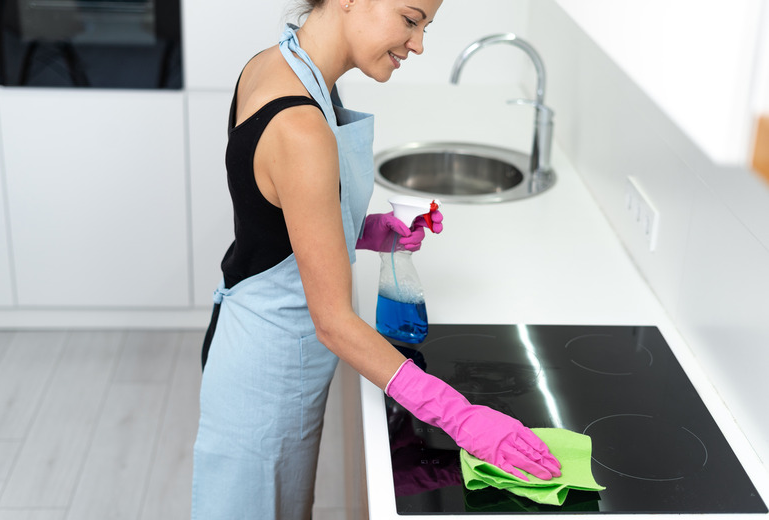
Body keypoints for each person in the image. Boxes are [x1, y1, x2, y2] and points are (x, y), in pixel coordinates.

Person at [191, 1, 562, 518]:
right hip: (267, 377)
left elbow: (274, 223)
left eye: (427, 26)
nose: (419, 44)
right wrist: (462, 417)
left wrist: (365, 230)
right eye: (411, 20)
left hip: (257, 339)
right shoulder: (299, 124)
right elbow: (336, 323)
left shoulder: (281, 65)